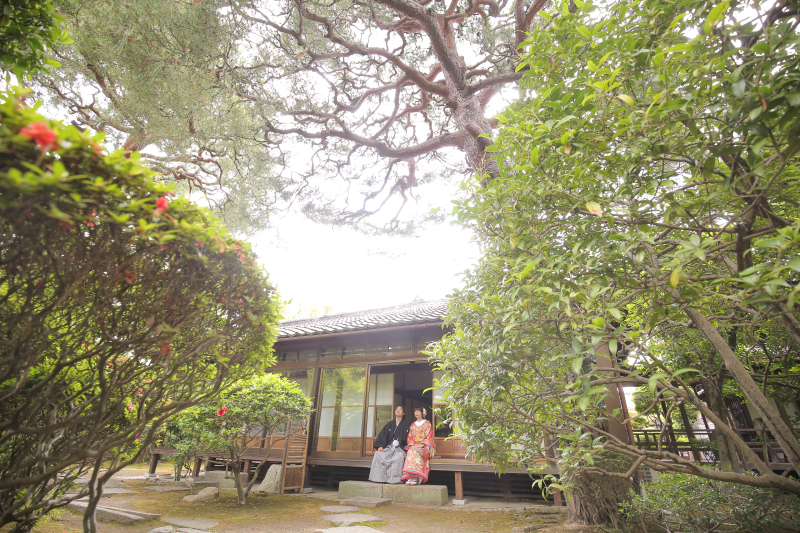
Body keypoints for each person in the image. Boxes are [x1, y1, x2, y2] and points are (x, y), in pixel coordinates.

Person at [368, 405, 411, 484]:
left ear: (403, 413)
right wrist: (380, 446)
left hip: (401, 448)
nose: (398, 410)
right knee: (378, 454)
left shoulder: (407, 424)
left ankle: (394, 479)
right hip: (390, 447)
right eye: (397, 409)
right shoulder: (390, 424)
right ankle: (379, 478)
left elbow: (411, 437)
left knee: (398, 457)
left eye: (400, 409)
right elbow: (383, 435)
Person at [401, 406, 435, 485]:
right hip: (414, 446)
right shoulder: (413, 425)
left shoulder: (427, 423)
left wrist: (422, 445)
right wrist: (412, 445)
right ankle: (410, 477)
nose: (416, 413)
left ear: (422, 413)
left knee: (414, 452)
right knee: (411, 451)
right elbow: (410, 436)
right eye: (415, 411)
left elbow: (430, 437)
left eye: (418, 411)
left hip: (424, 447)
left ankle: (416, 477)